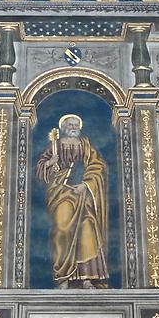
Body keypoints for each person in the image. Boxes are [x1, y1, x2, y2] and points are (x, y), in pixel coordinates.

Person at [36, 114, 109, 289]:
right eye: (70, 125)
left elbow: (97, 166)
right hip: (61, 193)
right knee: (62, 229)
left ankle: (86, 278)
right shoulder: (55, 145)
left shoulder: (86, 145)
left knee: (87, 229)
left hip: (83, 194)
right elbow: (40, 167)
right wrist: (49, 163)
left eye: (76, 125)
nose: (74, 127)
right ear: (63, 127)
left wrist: (86, 185)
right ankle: (63, 277)